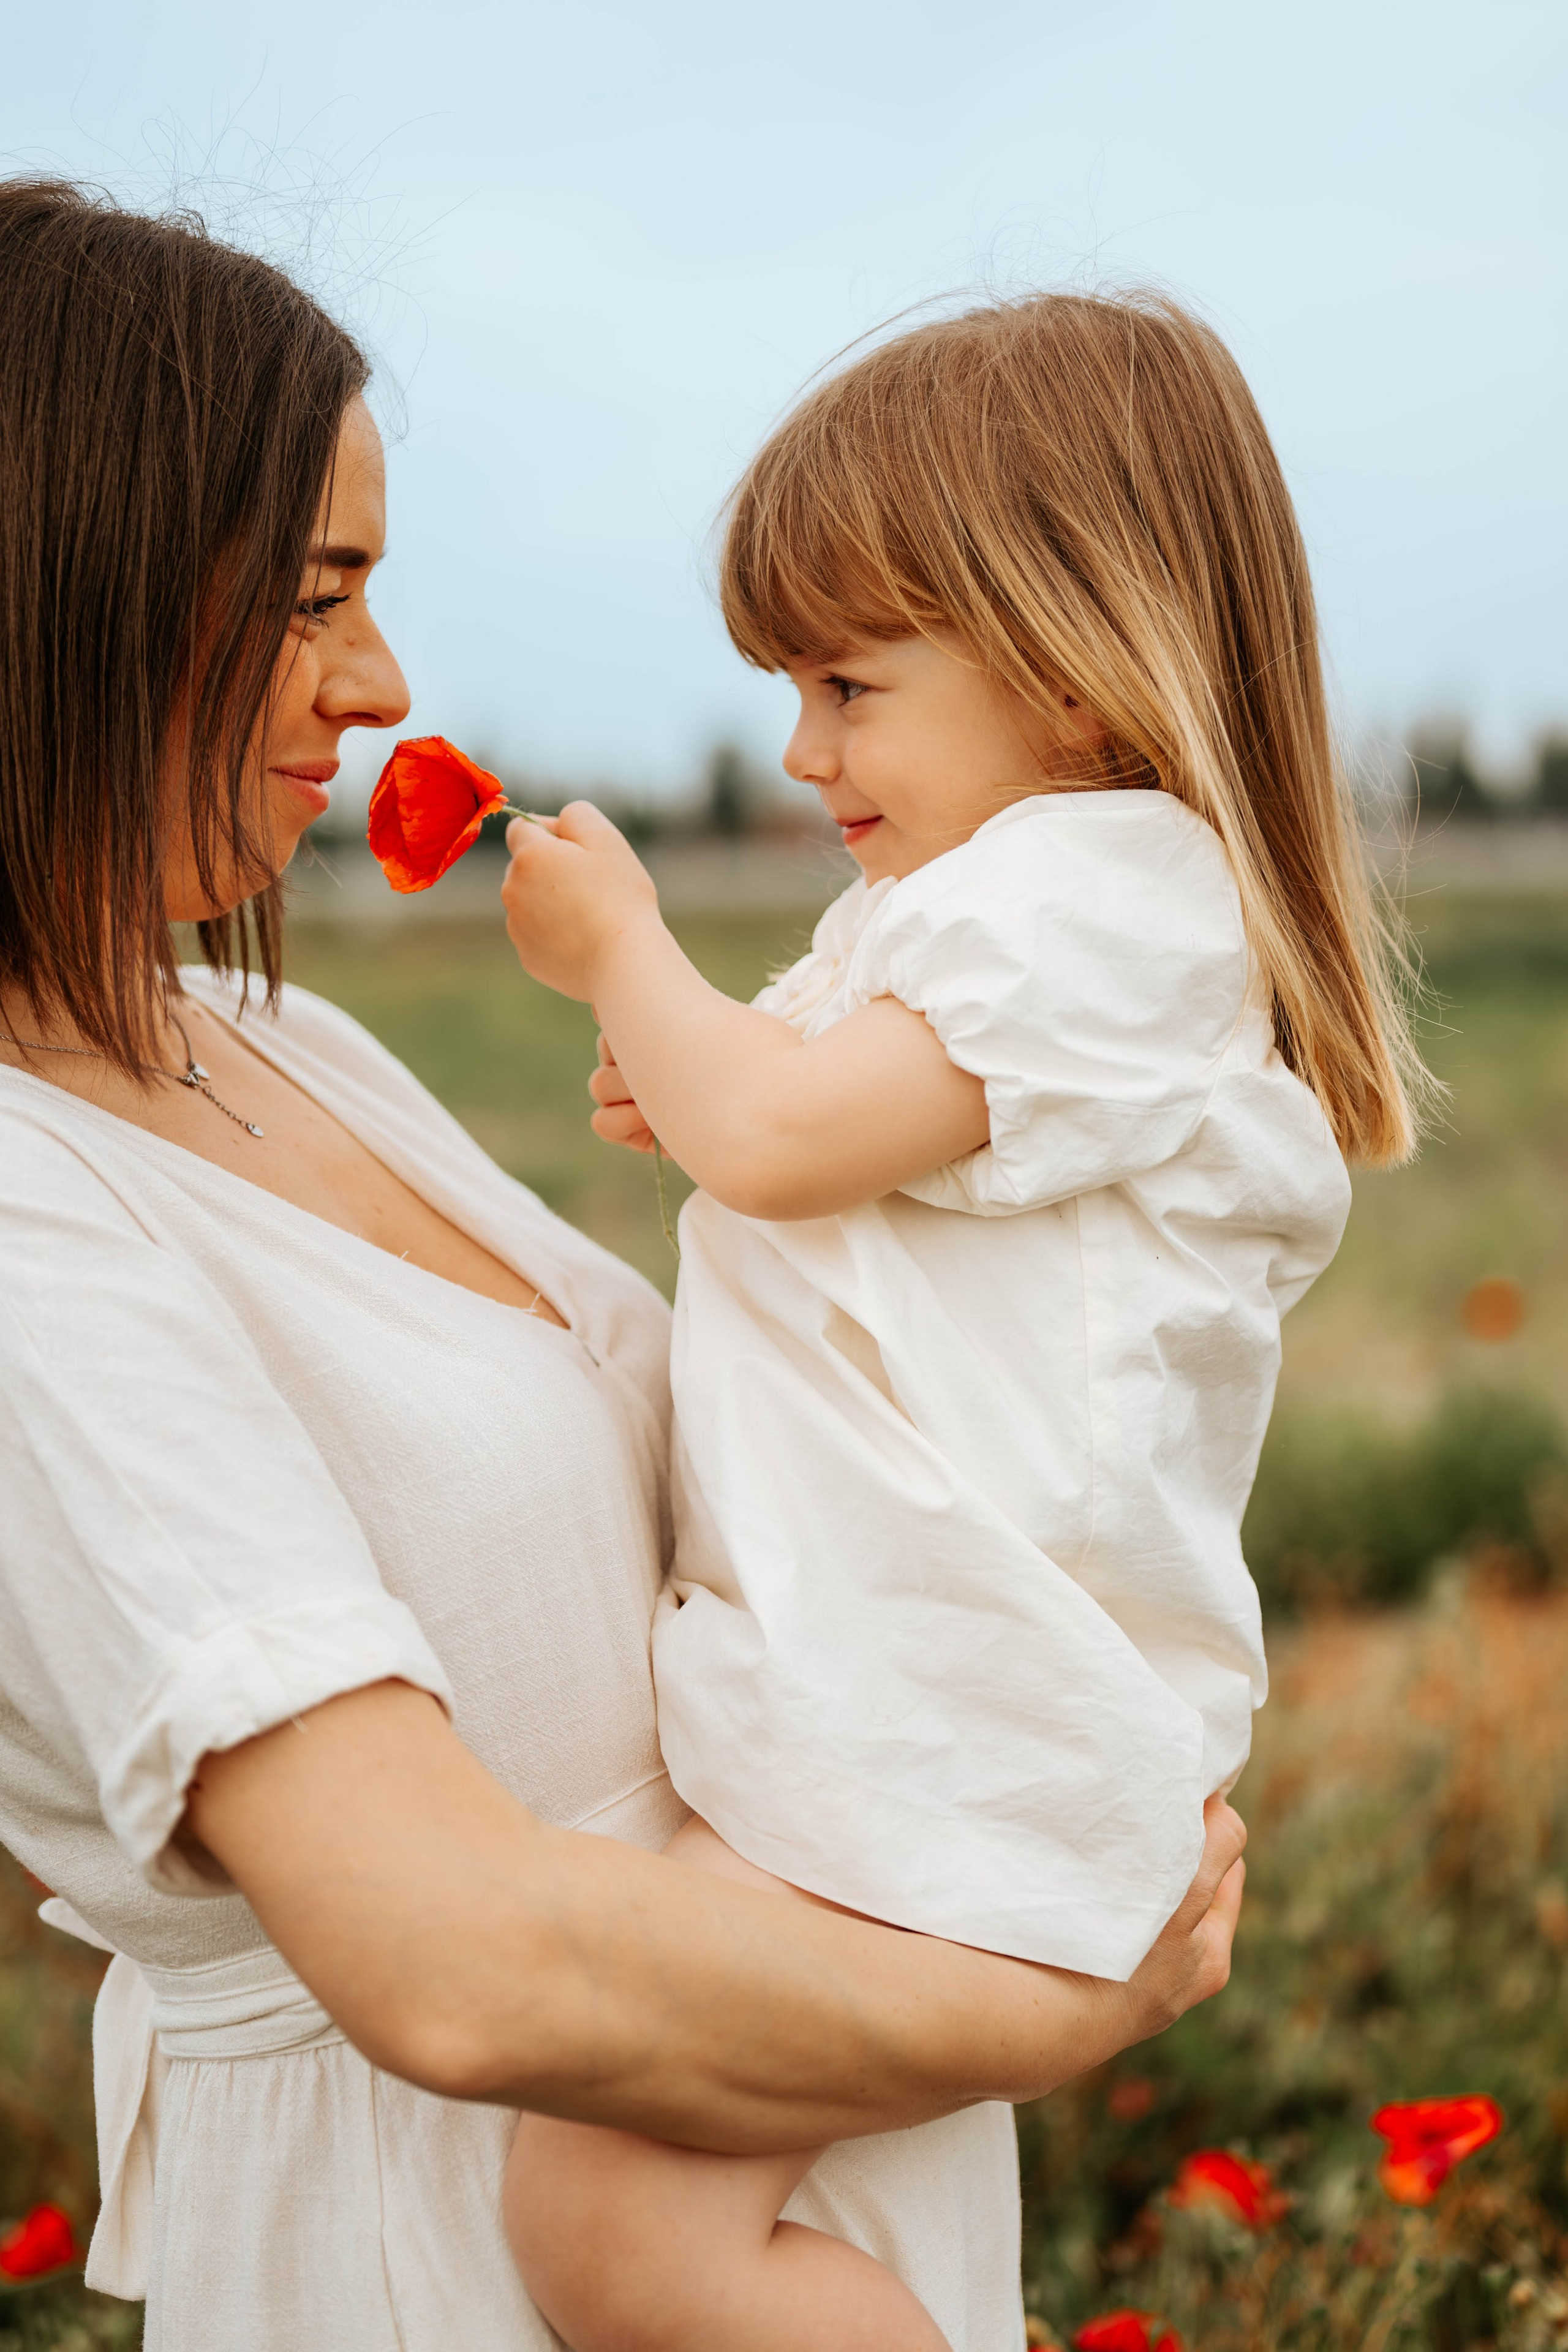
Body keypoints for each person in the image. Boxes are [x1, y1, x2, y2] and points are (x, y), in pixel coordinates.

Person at [0, 184, 1245, 2352]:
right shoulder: (27, 1209)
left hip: (762, 2122)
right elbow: (453, 1964)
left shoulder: (286, 1043)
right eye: (315, 596)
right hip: (461, 2244)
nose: (381, 683)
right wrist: (1056, 2002)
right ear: (60, 585)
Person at [497, 290, 1427, 2351]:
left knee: (608, 2229)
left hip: (941, 1721)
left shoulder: (1095, 895)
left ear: (1076, 670)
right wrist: (707, 1071)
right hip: (911, 1707)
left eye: (848, 683)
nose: (802, 748)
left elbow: (779, 1141)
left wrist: (628, 957)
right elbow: (805, 1128)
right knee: (634, 2212)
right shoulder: (1005, 910)